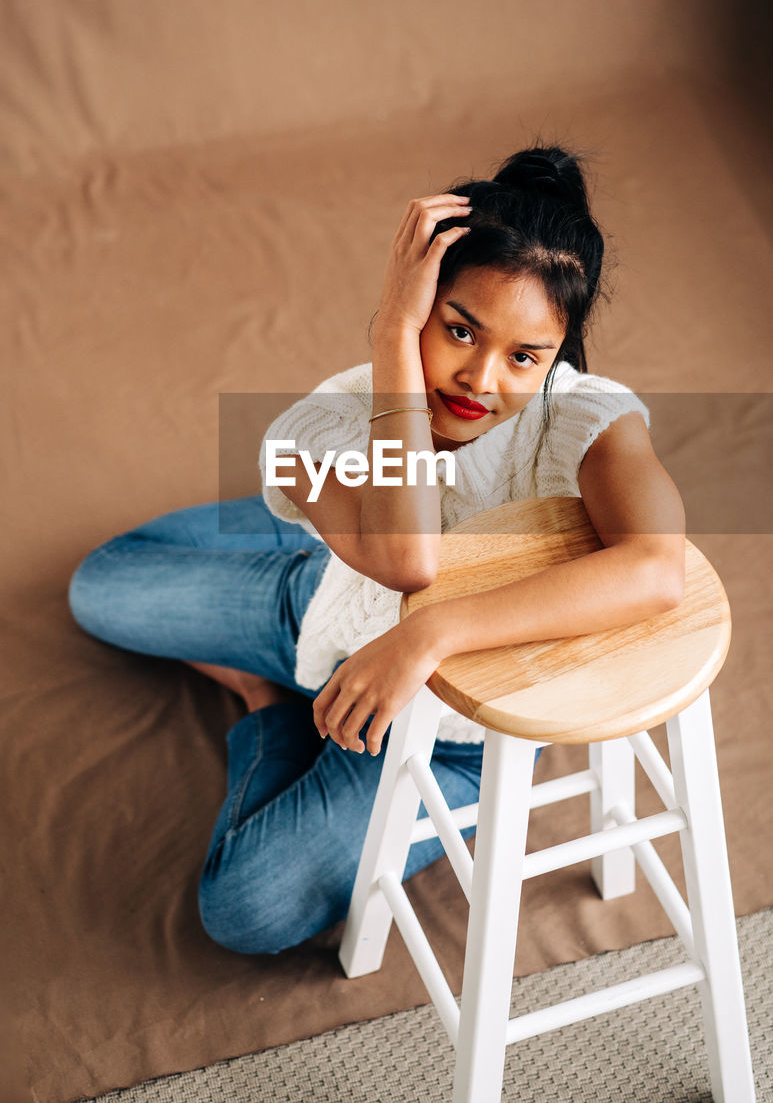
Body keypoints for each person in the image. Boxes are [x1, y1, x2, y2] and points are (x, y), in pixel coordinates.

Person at [67, 141, 686, 955]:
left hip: (459, 739)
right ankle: (302, 544)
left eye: (522, 356)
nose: (479, 378)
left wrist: (428, 633)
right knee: (97, 588)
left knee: (245, 909)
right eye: (457, 329)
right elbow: (405, 563)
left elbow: (657, 568)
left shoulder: (585, 415)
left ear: (556, 358)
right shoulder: (325, 418)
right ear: (419, 306)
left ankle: (268, 705)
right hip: (324, 616)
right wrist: (391, 329)